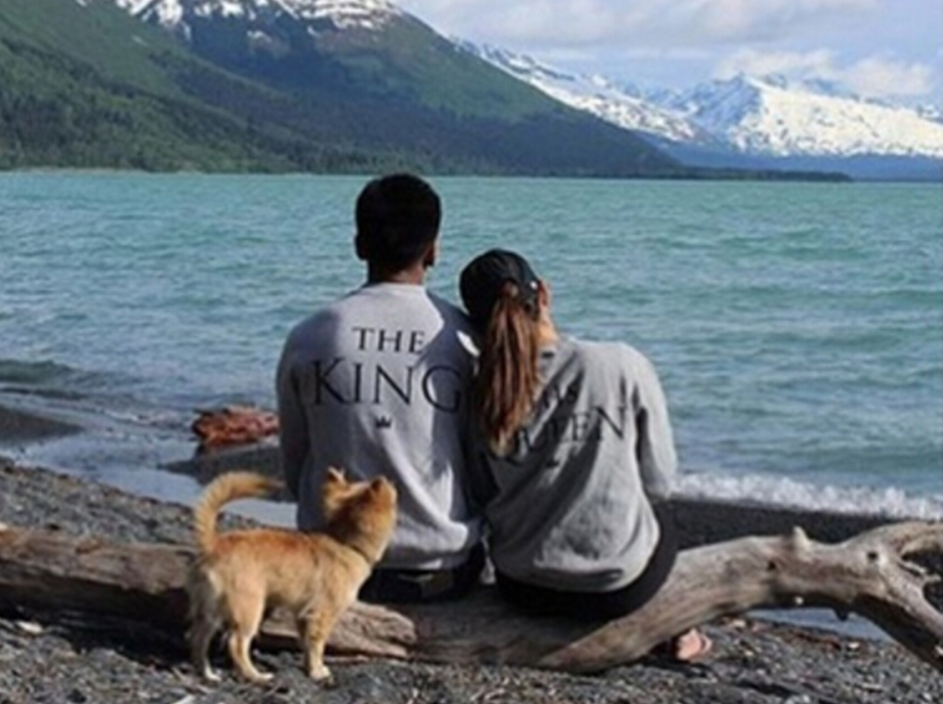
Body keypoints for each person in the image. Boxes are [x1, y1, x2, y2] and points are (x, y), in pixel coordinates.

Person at [458, 248, 710, 661]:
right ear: (543, 294)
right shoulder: (620, 363)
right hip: (615, 589)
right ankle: (680, 626)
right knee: (659, 518)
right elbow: (660, 481)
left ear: (475, 324)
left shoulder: (479, 393)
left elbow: (480, 492)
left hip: (522, 588)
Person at [276, 173, 484, 603]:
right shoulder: (465, 337)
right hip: (440, 571)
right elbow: (482, 468)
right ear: (433, 250)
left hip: (328, 565)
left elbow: (296, 467)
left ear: (359, 245)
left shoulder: (310, 335)